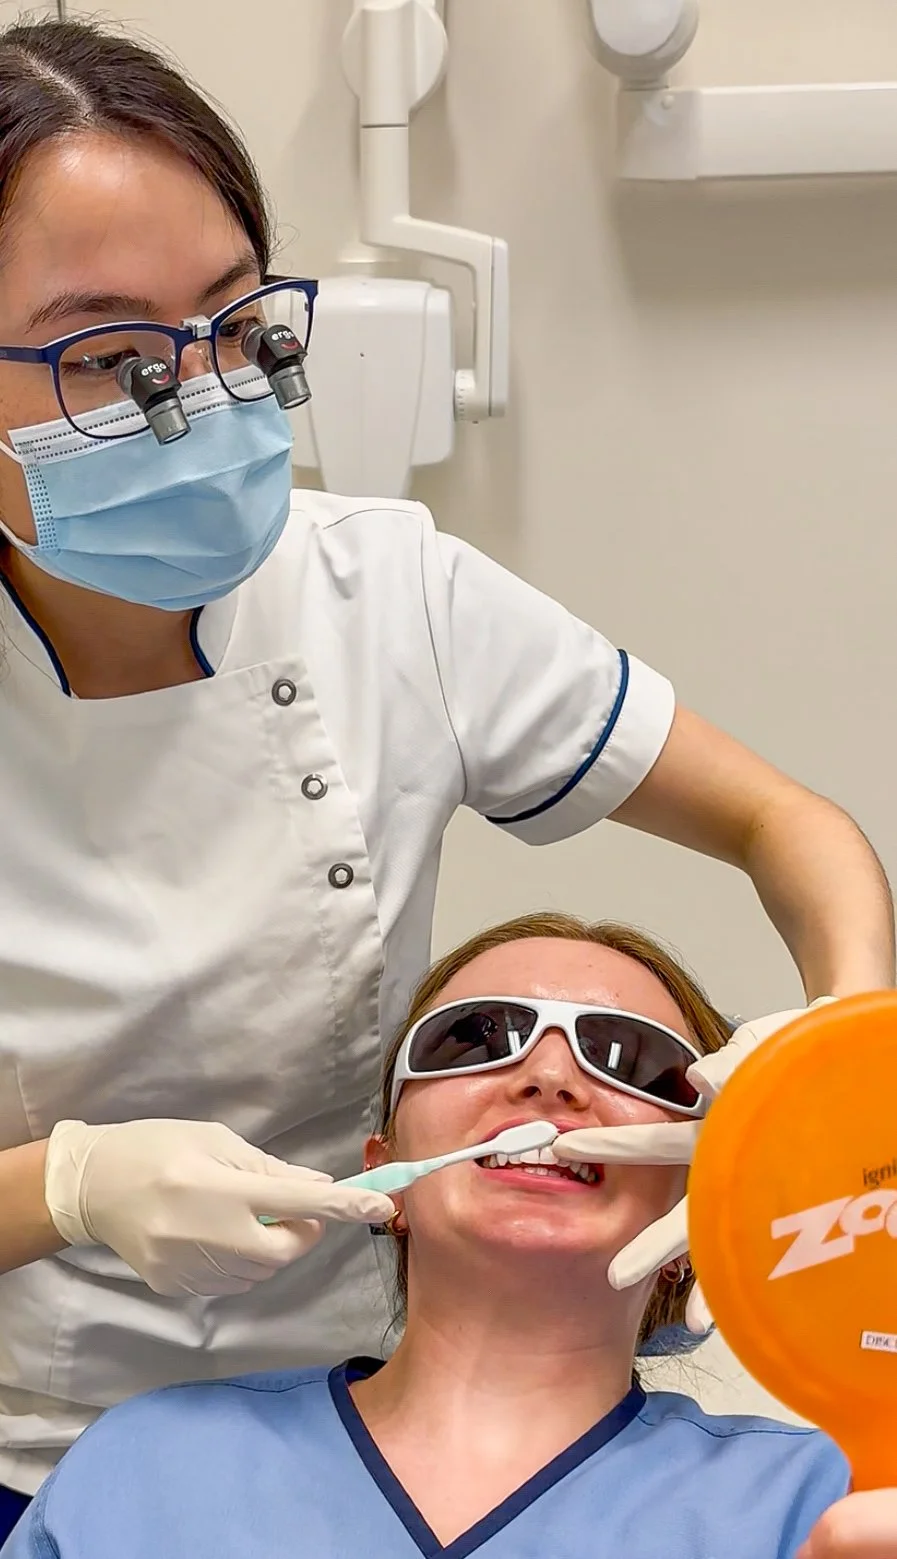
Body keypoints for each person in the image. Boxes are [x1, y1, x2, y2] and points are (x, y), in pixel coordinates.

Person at [0, 13, 892, 1537]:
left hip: (354, 1360)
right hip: (43, 1426)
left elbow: (781, 821)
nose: (205, 396)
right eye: (110, 356)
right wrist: (66, 1189)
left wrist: (838, 1063)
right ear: (378, 1137)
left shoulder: (388, 593)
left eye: (237, 321)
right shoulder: (126, 1499)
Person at [2, 910, 889, 1559]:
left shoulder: (821, 1498)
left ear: (703, 1186)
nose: (548, 1076)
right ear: (385, 1166)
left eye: (629, 1056)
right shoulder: (150, 1463)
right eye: (475, 1038)